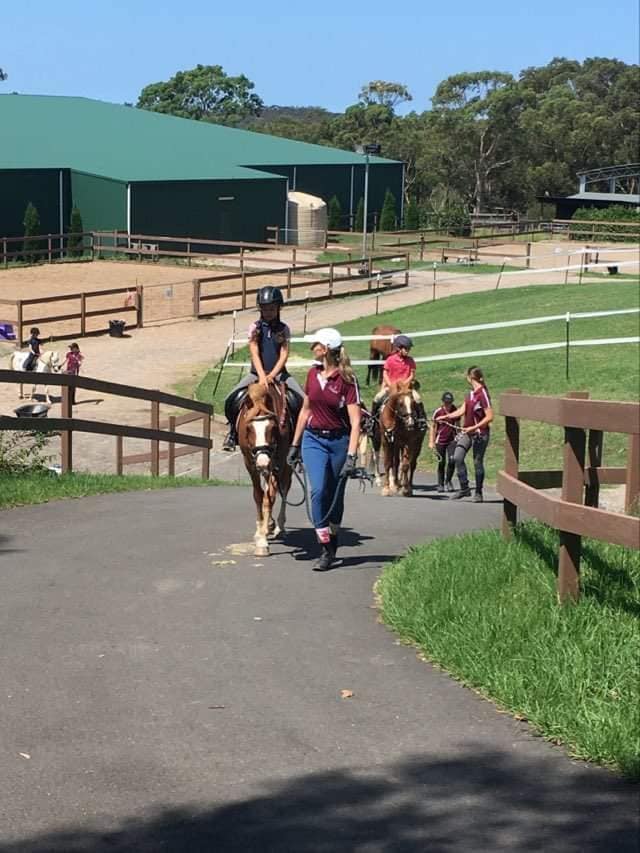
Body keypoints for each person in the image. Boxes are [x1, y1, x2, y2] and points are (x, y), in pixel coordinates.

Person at [287, 328, 361, 571]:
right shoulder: (312, 374)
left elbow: (355, 421)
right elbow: (305, 410)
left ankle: (334, 534)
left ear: (326, 348)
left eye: (316, 344)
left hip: (339, 442)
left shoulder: (347, 381)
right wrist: (295, 444)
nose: (312, 348)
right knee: (318, 491)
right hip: (313, 439)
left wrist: (351, 455)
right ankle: (325, 546)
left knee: (334, 495)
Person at [222, 286, 304, 451]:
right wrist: (261, 375)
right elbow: (254, 352)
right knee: (230, 399)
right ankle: (232, 432)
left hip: (280, 374)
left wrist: (273, 375)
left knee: (302, 400)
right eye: (265, 308)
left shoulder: (283, 329)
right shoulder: (255, 328)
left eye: (272, 308)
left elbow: (284, 354)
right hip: (256, 374)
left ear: (278, 308)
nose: (268, 312)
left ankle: (298, 440)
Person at [437, 366, 493, 502]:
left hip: (480, 433)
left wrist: (474, 427)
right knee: (457, 457)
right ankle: (464, 488)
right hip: (467, 433)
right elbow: (462, 410)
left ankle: (478, 493)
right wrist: (446, 417)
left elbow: (490, 416)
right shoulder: (471, 394)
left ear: (469, 377)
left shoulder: (482, 394)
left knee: (477, 462)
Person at [370, 334, 427, 431]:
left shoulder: (410, 360)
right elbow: (385, 373)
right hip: (391, 387)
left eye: (408, 349)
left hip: (406, 388)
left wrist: (406, 383)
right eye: (406, 348)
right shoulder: (390, 360)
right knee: (378, 397)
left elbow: (412, 375)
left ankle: (422, 420)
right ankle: (372, 421)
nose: (408, 351)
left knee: (417, 398)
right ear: (399, 348)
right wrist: (389, 384)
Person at [429, 391, 459, 493]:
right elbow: (433, 427)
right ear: (443, 402)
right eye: (446, 403)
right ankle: (440, 484)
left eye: (449, 403)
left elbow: (458, 424)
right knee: (441, 462)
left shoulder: (455, 410)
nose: (448, 405)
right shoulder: (438, 412)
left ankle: (448, 481)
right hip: (440, 440)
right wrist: (431, 441)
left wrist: (459, 436)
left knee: (452, 460)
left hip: (452, 440)